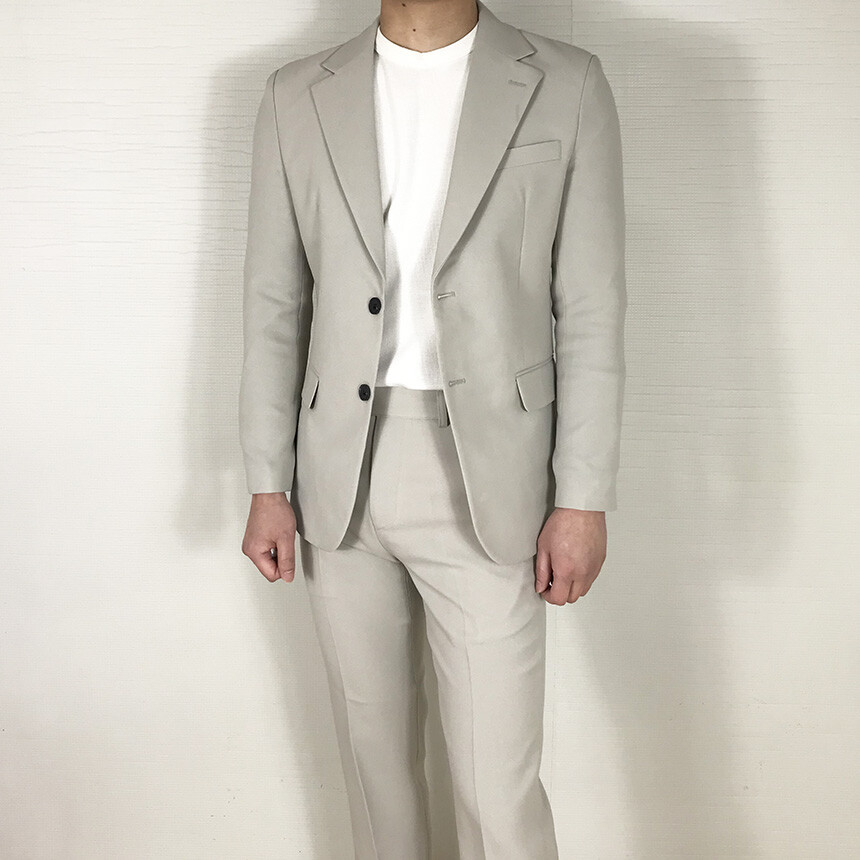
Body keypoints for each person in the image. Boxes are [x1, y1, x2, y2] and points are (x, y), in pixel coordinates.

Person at [239, 0, 626, 856]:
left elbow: (592, 310)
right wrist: (267, 481)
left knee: (497, 791)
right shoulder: (294, 94)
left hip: (491, 477)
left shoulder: (567, 84)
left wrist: (583, 497)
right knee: (376, 776)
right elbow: (274, 304)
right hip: (338, 477)